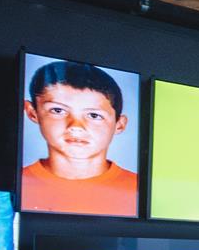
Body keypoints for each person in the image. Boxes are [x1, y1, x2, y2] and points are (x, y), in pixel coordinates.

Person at [20, 60, 136, 215]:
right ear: (32, 112)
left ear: (119, 125)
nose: (76, 126)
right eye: (58, 110)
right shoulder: (15, 184)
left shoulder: (137, 188)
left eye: (94, 115)